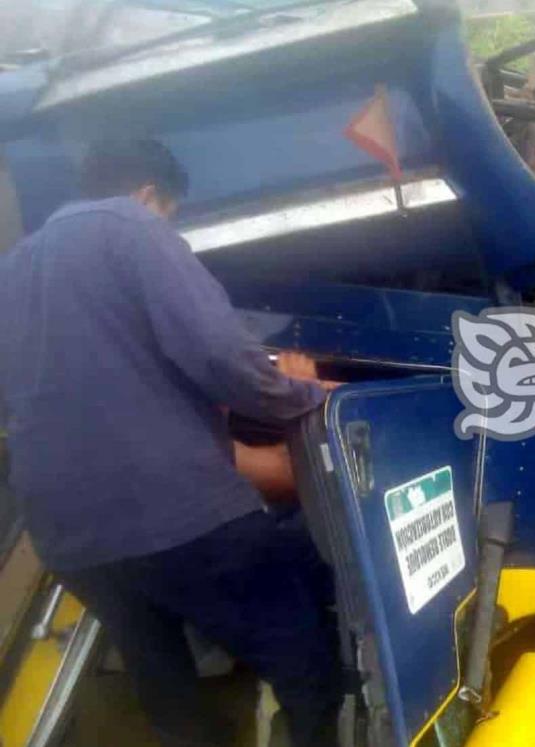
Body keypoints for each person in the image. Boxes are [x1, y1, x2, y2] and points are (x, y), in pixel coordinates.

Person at [0, 140, 342, 747]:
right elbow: (217, 352)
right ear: (150, 195)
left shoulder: (15, 268)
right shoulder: (131, 226)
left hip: (67, 536)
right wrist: (305, 396)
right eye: (171, 215)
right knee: (302, 653)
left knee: (162, 678)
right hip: (173, 520)